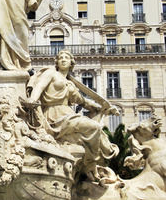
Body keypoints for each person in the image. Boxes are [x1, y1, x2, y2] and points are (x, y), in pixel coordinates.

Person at [26, 50, 119, 180]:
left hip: (68, 114)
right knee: (94, 127)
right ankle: (93, 162)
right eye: (61, 58)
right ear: (57, 62)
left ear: (71, 63)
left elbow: (83, 101)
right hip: (54, 115)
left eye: (67, 58)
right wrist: (32, 99)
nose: (63, 60)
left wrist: (103, 108)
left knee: (95, 129)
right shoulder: (51, 73)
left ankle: (90, 164)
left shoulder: (70, 84)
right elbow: (39, 87)